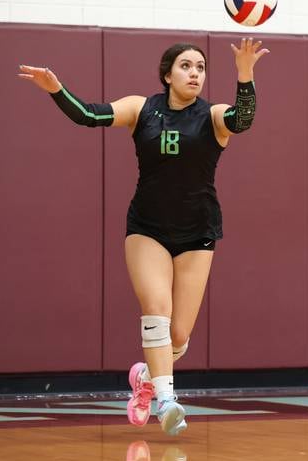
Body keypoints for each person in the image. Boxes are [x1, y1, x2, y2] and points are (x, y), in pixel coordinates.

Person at [18, 38, 269, 436]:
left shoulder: (214, 116)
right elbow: (88, 115)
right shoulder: (142, 108)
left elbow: (244, 119)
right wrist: (56, 90)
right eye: (186, 66)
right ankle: (168, 401)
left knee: (180, 335)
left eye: (201, 68)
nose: (194, 73)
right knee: (157, 309)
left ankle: (146, 380)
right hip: (147, 228)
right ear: (167, 74)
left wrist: (245, 72)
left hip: (198, 232)